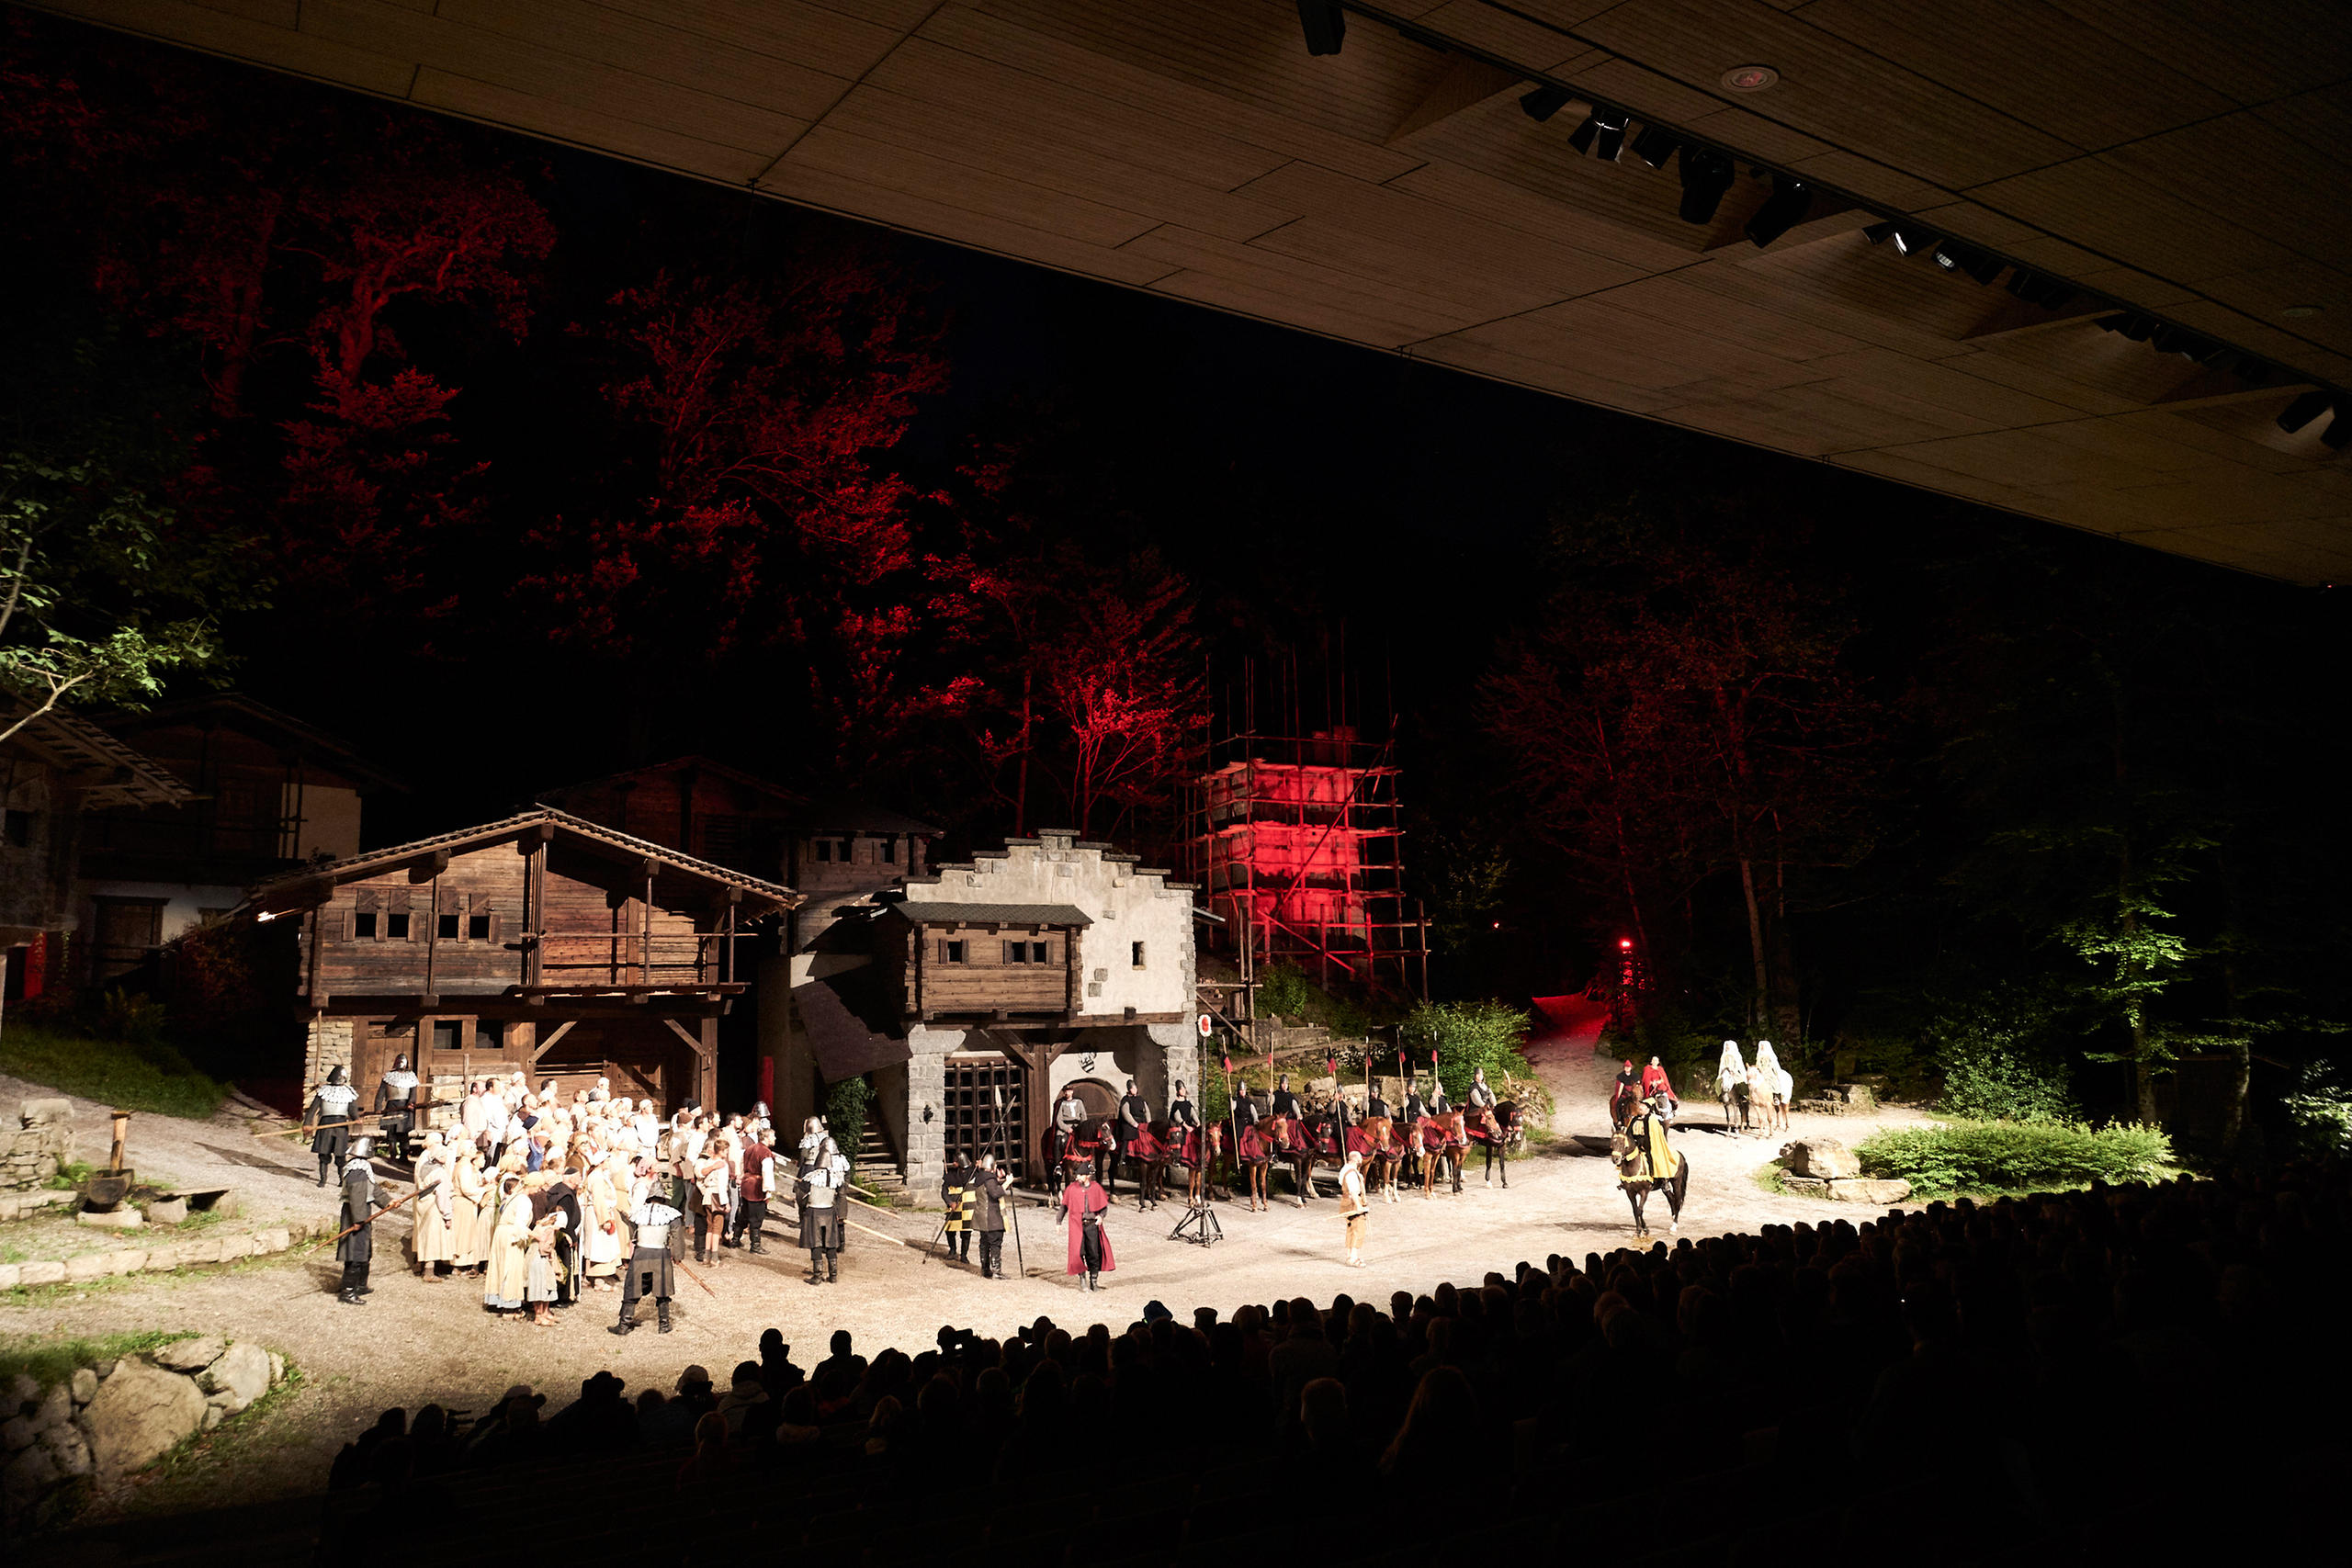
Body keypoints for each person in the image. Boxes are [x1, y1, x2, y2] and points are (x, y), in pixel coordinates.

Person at [613, 1161, 682, 1336]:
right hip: (660, 1255)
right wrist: (678, 1255)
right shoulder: (671, 1214)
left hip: (641, 1254)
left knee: (633, 1288)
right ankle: (663, 1324)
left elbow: (633, 1234)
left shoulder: (639, 1213)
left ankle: (624, 1324)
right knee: (662, 1289)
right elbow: (677, 1236)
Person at [334, 1134, 381, 1305]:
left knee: (364, 1252)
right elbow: (357, 1196)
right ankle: (347, 1292)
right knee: (354, 1253)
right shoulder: (357, 1170)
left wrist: (389, 1202)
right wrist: (359, 1219)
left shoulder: (363, 1167)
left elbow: (373, 1190)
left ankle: (360, 1285)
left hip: (361, 1213)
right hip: (355, 1214)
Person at [798, 1135, 849, 1284]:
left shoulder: (810, 1178)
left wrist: (804, 1209)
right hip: (829, 1213)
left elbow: (801, 1197)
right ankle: (833, 1275)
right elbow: (841, 1197)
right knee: (831, 1244)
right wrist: (840, 1214)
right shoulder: (836, 1179)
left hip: (814, 1213)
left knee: (816, 1243)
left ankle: (817, 1276)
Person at [1058, 1168, 1113, 1292]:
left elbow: (1104, 1207)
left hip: (1092, 1225)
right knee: (1078, 1252)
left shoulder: (1096, 1188)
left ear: (1087, 1176)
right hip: (1077, 1225)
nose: (1077, 1178)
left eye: (1080, 1176)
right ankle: (1082, 1280)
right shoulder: (1072, 1189)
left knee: (1093, 1253)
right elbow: (1064, 1207)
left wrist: (1101, 1216)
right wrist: (1058, 1222)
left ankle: (1094, 1281)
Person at [305, 1066, 360, 1187]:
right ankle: (323, 1179)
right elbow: (312, 1109)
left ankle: (342, 1180)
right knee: (324, 1154)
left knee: (340, 1155)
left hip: (341, 1125)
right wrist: (306, 1124)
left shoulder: (348, 1092)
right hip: (326, 1125)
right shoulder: (324, 1091)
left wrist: (356, 1118)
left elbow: (352, 1109)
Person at [411, 1131, 454, 1282]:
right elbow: (442, 1195)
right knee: (433, 1239)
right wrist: (447, 1215)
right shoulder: (440, 1173)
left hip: (423, 1203)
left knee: (425, 1237)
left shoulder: (425, 1167)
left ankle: (423, 1266)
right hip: (434, 1207)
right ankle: (429, 1272)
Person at [736, 1125, 775, 1255]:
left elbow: (742, 1165)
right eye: (773, 1136)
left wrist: (741, 1178)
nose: (775, 1138)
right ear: (767, 1138)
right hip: (756, 1187)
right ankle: (755, 1245)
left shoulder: (750, 1148)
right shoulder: (765, 1153)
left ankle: (735, 1239)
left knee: (745, 1214)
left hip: (747, 1184)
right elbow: (767, 1172)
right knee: (756, 1217)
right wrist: (768, 1191)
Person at [974, 1153, 1011, 1280]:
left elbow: (989, 1188)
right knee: (995, 1243)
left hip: (982, 1217)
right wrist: (1007, 1183)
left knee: (984, 1243)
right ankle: (996, 1272)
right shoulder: (989, 1179)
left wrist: (997, 1179)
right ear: (993, 1166)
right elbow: (995, 1193)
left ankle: (985, 1269)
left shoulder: (981, 1177)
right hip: (991, 1217)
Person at [375, 1053, 419, 1155]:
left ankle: (404, 1157)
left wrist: (411, 1103)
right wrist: (378, 1107)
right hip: (391, 1106)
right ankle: (392, 1155)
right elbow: (381, 1093)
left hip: (405, 1108)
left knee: (404, 1134)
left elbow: (413, 1093)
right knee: (391, 1133)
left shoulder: (411, 1076)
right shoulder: (388, 1076)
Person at [940, 1152, 977, 1264]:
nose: (953, 1163)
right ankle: (952, 1250)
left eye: (956, 1161)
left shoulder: (974, 1173)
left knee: (966, 1233)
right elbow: (944, 1192)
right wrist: (950, 1202)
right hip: (954, 1207)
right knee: (950, 1230)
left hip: (967, 1208)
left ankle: (964, 1255)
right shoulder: (951, 1176)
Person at [1115, 1078, 1150, 1195]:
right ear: (1129, 1089)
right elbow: (1126, 1113)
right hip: (1130, 1123)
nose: (1135, 1090)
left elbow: (1147, 1111)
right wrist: (1134, 1124)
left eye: (1135, 1088)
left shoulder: (1141, 1099)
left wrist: (1148, 1123)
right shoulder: (1126, 1100)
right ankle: (1123, 1157)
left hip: (1142, 1122)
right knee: (1128, 1134)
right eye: (1132, 1088)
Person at [1339, 1149, 1369, 1269]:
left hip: (1346, 1201)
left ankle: (1350, 1256)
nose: (1362, 1160)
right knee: (1358, 1229)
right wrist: (1359, 1206)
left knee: (1351, 1229)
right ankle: (1354, 1257)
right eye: (1360, 1158)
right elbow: (1353, 1192)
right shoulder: (1351, 1173)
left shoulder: (1345, 1170)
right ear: (1356, 1159)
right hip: (1352, 1202)